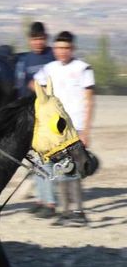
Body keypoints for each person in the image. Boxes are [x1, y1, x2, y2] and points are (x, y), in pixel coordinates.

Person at [34, 31, 94, 226]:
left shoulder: (82, 68)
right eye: (58, 48)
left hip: (73, 127)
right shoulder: (49, 68)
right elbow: (36, 86)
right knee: (60, 169)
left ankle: (78, 212)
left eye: (66, 48)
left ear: (72, 49)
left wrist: (85, 130)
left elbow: (89, 100)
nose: (62, 51)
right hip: (55, 129)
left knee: (72, 169)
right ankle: (66, 212)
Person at [16, 22, 58, 218]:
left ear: (46, 38)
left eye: (41, 38)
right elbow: (21, 89)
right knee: (36, 159)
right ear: (29, 40)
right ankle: (41, 199)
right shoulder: (25, 60)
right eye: (34, 39)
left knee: (48, 158)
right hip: (32, 114)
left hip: (50, 115)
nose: (38, 42)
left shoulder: (53, 57)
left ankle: (51, 202)